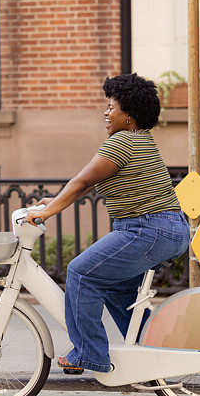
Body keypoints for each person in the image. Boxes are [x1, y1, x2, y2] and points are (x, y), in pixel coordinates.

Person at [25, 72, 190, 373]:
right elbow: (88, 184)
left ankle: (89, 354)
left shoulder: (122, 142)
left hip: (148, 229)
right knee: (115, 288)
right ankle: (150, 352)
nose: (106, 111)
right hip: (167, 229)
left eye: (111, 106)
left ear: (128, 115)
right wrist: (56, 200)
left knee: (81, 273)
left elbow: (82, 180)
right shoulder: (140, 140)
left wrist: (47, 213)